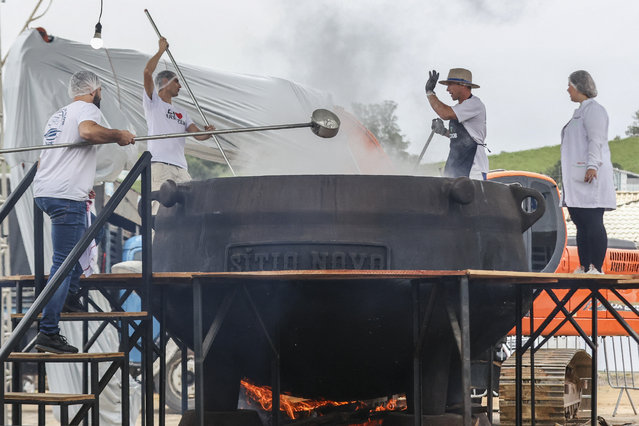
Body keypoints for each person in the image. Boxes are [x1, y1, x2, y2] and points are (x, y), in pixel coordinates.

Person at [33, 71, 136, 353]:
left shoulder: (58, 116)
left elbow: (45, 160)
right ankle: (48, 332)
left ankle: (68, 295)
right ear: (94, 90)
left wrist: (77, 183)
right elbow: (88, 132)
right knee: (62, 265)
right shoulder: (88, 109)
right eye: (100, 90)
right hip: (65, 196)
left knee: (95, 229)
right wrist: (119, 136)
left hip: (47, 191)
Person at [143, 37, 215, 209]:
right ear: (165, 83)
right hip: (160, 165)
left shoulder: (182, 113)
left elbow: (198, 135)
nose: (180, 86)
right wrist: (161, 50)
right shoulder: (153, 102)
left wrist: (209, 133)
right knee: (158, 214)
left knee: (190, 209)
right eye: (177, 81)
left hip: (181, 168)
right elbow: (147, 72)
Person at [561, 70, 616, 274]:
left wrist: (592, 165)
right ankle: (584, 265)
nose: (567, 89)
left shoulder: (595, 110)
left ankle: (596, 266)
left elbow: (596, 139)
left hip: (590, 175)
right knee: (581, 223)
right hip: (576, 178)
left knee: (593, 220)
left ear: (578, 87)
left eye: (570, 85)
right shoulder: (580, 112)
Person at [425, 68, 488, 179]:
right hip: (455, 165)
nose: (447, 90)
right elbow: (460, 137)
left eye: (450, 85)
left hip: (473, 168)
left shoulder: (474, 104)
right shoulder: (459, 109)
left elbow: (444, 114)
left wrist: (430, 92)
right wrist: (444, 131)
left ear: (462, 85)